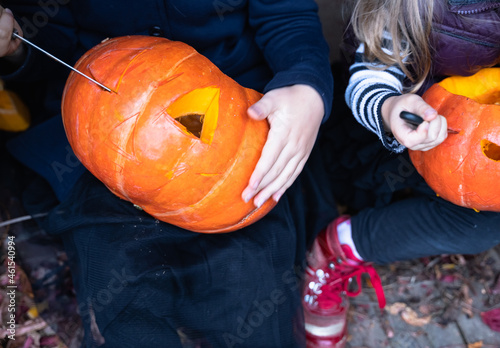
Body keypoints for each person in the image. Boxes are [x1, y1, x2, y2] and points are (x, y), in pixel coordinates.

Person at [0, 1, 337, 347]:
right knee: (119, 283)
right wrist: (15, 44)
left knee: (248, 274)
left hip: (243, 111)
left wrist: (306, 85)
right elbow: (49, 40)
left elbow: (286, 17)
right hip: (100, 117)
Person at [303, 0, 500, 346]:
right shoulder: (412, 7)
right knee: (479, 225)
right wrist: (389, 108)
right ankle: (341, 246)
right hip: (417, 140)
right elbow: (372, 74)